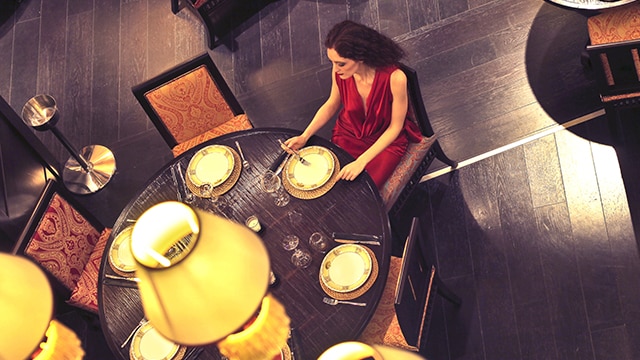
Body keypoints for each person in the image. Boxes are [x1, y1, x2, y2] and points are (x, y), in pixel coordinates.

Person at [282, 20, 423, 189]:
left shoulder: (395, 78)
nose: (335, 69)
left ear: (361, 57)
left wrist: (361, 161)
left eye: (341, 63)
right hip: (348, 134)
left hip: (384, 142)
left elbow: (395, 128)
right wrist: (305, 136)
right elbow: (331, 104)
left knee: (362, 190)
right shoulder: (340, 73)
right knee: (328, 182)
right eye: (332, 62)